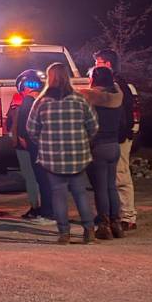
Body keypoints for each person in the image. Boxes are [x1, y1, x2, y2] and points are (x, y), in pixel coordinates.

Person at [26, 63, 99, 244]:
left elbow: (31, 129)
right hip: (78, 155)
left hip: (52, 157)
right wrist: (83, 141)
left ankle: (64, 233)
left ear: (49, 78)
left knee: (58, 194)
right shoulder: (80, 100)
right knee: (80, 193)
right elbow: (93, 126)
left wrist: (44, 143)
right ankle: (89, 231)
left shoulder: (41, 103)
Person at [93, 49, 137, 231]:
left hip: (117, 138)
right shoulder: (120, 85)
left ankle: (127, 216)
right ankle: (113, 214)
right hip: (116, 138)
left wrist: (123, 135)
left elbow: (126, 115)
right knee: (112, 179)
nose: (95, 67)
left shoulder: (118, 87)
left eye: (98, 63)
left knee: (120, 176)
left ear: (107, 64)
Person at [81, 66, 125, 240]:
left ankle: (104, 225)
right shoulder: (118, 97)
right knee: (111, 186)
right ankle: (116, 224)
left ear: (95, 79)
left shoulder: (90, 97)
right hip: (114, 145)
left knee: (100, 189)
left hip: (97, 146)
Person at [10, 70, 55, 225]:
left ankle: (45, 212)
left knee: (39, 179)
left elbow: (22, 131)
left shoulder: (26, 102)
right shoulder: (47, 101)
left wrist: (25, 142)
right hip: (49, 147)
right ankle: (48, 210)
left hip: (33, 148)